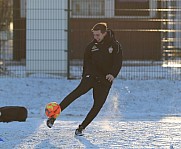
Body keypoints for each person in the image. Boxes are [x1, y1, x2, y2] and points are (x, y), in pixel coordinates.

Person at [47, 22, 123, 136]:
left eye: (98, 35)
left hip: (105, 80)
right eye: (94, 35)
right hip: (91, 76)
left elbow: (118, 62)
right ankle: (53, 117)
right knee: (75, 94)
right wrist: (85, 75)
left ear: (104, 33)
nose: (95, 37)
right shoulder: (91, 47)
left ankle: (81, 128)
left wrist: (112, 74)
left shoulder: (115, 46)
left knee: (98, 105)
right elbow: (86, 63)